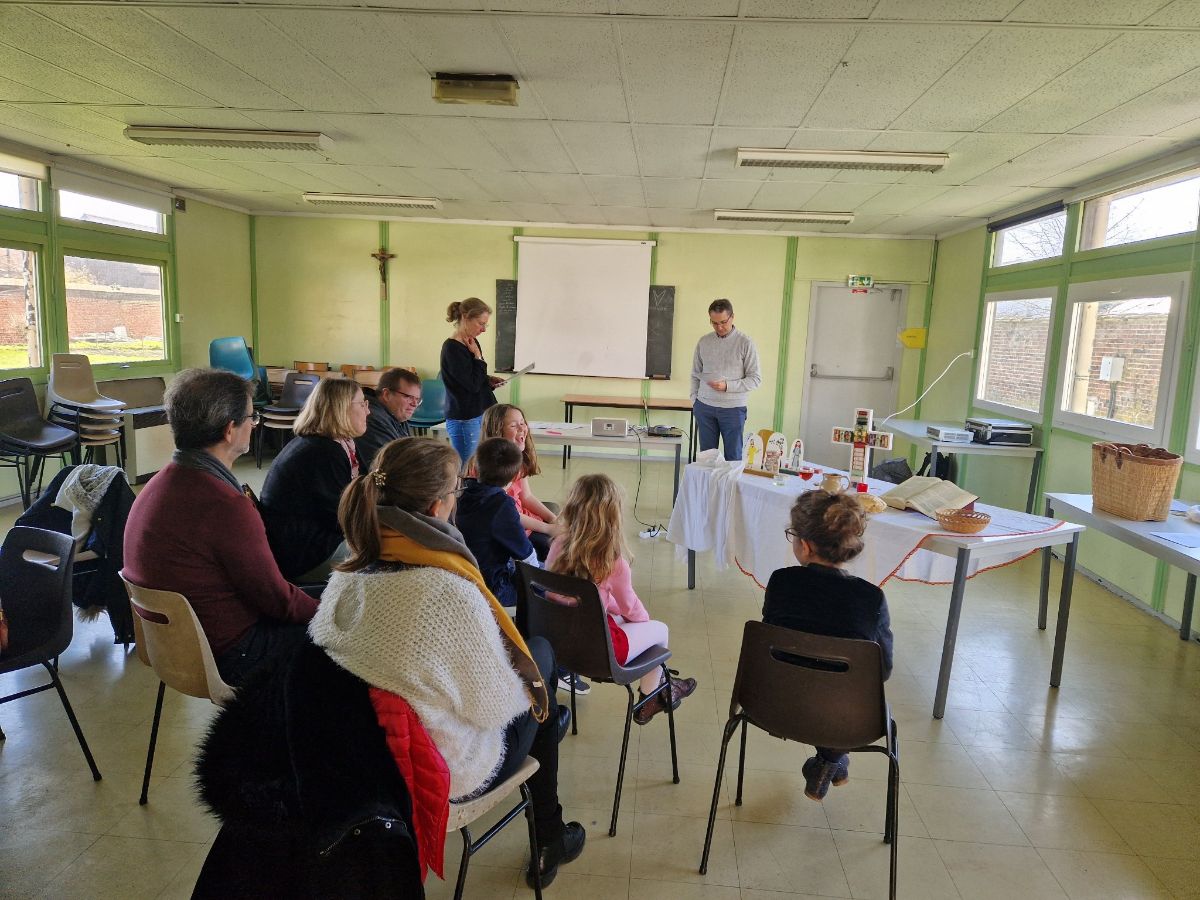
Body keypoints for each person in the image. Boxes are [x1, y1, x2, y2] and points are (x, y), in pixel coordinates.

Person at [312, 437, 586, 888]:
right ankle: (550, 832)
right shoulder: (446, 589)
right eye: (456, 492)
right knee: (540, 661)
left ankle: (550, 727)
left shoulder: (350, 571)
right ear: (439, 507)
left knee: (535, 688)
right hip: (441, 768)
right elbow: (497, 708)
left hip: (359, 753)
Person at [123, 368, 317, 686]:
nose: (254, 425)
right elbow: (278, 603)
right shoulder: (223, 505)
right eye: (252, 418)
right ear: (230, 430)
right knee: (349, 637)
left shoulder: (157, 485)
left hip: (174, 649)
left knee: (330, 598)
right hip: (231, 653)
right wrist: (334, 613)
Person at [762, 490, 894, 802]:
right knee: (840, 689)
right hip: (847, 720)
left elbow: (772, 647)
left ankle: (829, 762)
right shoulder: (871, 598)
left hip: (774, 704)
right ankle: (831, 759)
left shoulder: (781, 582)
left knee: (811, 678)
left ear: (804, 546)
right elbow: (882, 670)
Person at [546, 474, 697, 725]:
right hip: (599, 653)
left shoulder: (559, 545)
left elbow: (572, 595)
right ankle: (651, 696)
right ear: (613, 518)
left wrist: (613, 611)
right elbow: (633, 609)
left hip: (560, 642)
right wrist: (641, 623)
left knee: (614, 616)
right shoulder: (612, 561)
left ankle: (665, 685)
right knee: (659, 630)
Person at [260, 377, 369, 582]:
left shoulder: (337, 443)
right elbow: (342, 519)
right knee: (390, 553)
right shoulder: (322, 452)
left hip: (314, 540)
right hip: (306, 554)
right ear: (341, 408)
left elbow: (365, 486)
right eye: (362, 404)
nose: (368, 411)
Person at [456, 437, 537, 610]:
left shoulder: (462, 492)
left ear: (475, 469)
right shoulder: (501, 505)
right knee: (543, 584)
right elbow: (525, 554)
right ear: (516, 477)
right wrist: (539, 587)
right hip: (493, 588)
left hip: (466, 578)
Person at [479, 403, 559, 560]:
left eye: (523, 423)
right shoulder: (486, 467)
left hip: (520, 518)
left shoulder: (517, 458)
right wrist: (548, 529)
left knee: (556, 516)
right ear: (496, 431)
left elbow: (526, 497)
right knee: (554, 546)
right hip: (509, 528)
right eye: (514, 425)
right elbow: (508, 513)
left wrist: (553, 519)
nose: (522, 429)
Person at [690, 298, 761, 461]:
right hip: (704, 407)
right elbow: (695, 373)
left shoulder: (745, 343)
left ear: (732, 317)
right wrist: (695, 400)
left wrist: (727, 386)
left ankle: (730, 488)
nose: (719, 327)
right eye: (714, 323)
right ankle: (708, 487)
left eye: (723, 322)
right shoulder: (704, 341)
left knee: (733, 458)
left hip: (733, 409)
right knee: (707, 458)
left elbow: (755, 379)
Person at [441, 297, 503, 465]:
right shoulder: (452, 348)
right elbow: (472, 385)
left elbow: (472, 376)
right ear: (465, 317)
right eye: (480, 323)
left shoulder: (472, 342)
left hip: (479, 413)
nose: (483, 329)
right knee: (466, 470)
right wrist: (478, 357)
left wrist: (488, 380)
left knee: (479, 467)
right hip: (465, 418)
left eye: (485, 325)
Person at [354, 366, 422, 469]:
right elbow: (389, 468)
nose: (414, 404)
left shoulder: (398, 414)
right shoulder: (371, 418)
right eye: (408, 397)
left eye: (417, 399)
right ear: (386, 394)